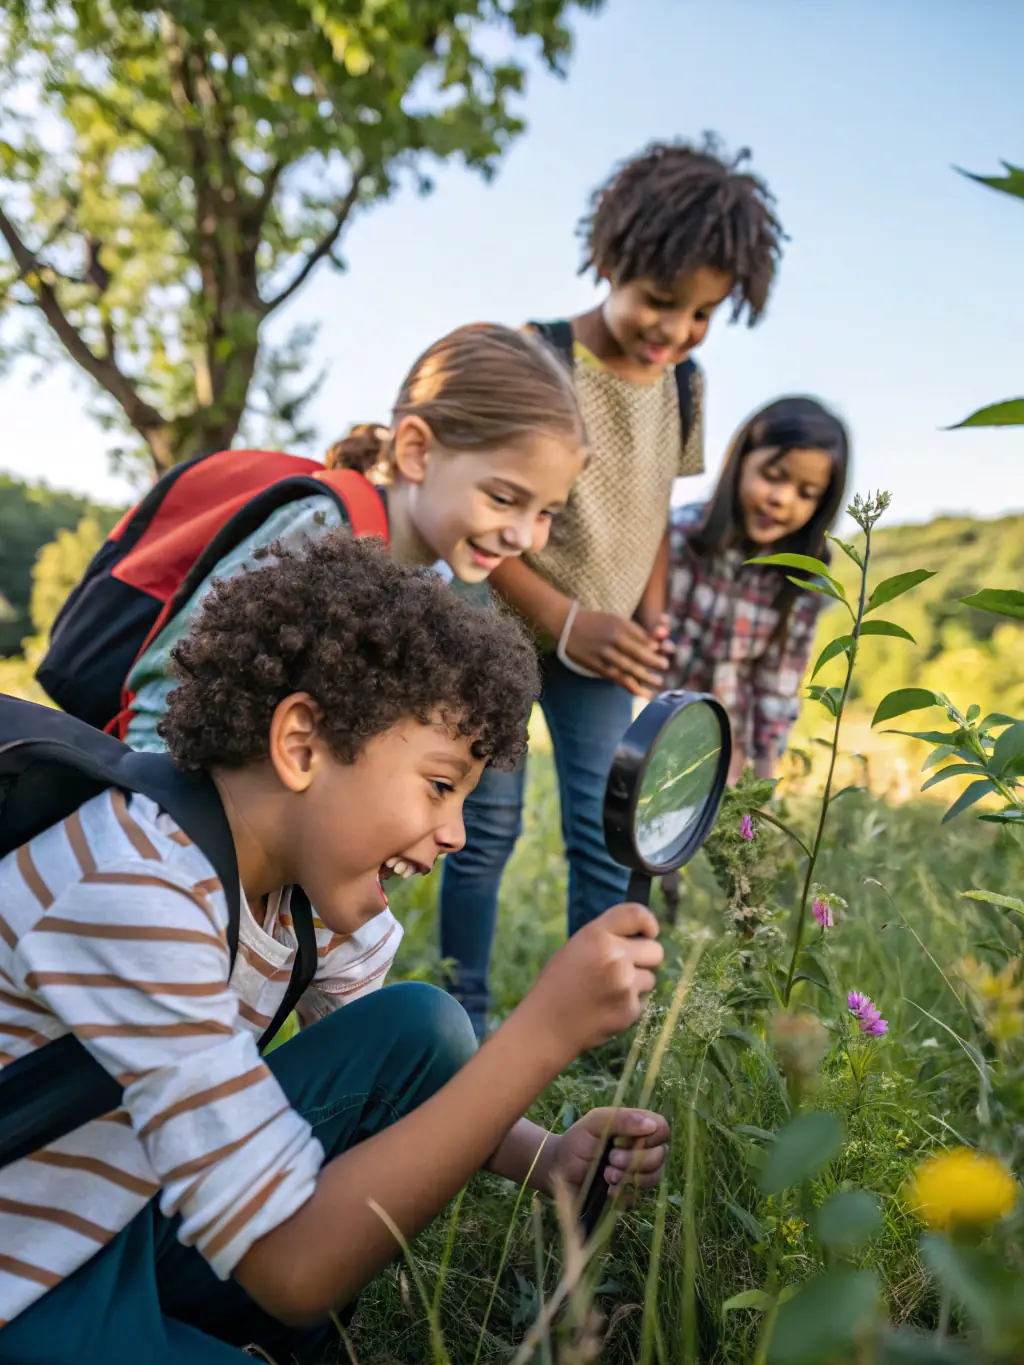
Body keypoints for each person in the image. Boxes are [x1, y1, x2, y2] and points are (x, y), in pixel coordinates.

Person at [0, 535, 668, 1363]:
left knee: (421, 1028)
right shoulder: (134, 890)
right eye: (438, 784)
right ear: (302, 744)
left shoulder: (313, 903)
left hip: (121, 1203)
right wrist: (544, 1032)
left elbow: (414, 1092)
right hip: (25, 1271)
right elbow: (294, 1267)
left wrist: (549, 1157)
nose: (456, 832)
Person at [440, 136, 785, 1035]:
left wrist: (652, 619)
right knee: (485, 830)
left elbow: (655, 511)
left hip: (605, 654)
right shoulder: (539, 357)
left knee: (611, 834)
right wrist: (565, 621)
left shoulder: (686, 386)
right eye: (662, 302)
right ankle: (460, 1017)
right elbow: (482, 526)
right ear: (613, 258)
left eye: (704, 314)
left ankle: (594, 1026)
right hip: (504, 628)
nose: (675, 331)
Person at [124, 322, 587, 754]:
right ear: (417, 452)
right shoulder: (318, 531)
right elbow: (166, 692)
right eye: (503, 499)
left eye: (546, 512)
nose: (526, 538)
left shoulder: (460, 579)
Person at [665, 395, 851, 782]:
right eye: (774, 475)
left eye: (807, 493)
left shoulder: (803, 583)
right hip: (658, 730)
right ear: (740, 461)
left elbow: (777, 688)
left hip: (732, 753)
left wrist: (762, 781)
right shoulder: (681, 539)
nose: (782, 499)